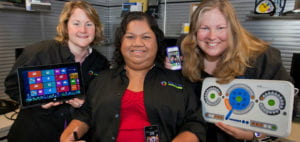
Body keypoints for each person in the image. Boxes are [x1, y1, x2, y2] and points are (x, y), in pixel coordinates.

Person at [60, 12, 206, 142]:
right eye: (130, 36)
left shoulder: (178, 82)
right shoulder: (101, 80)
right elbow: (84, 115)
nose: (137, 43)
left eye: (146, 37)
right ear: (121, 43)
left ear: (157, 42)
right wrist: (69, 136)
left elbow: (195, 123)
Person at [177, 0, 293, 142]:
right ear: (195, 31)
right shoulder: (185, 51)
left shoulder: (261, 58)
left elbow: (283, 116)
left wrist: (252, 135)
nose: (212, 36)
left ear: (233, 28)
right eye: (204, 28)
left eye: (220, 28)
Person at [4, 1, 109, 142]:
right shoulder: (39, 52)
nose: (83, 30)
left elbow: (99, 100)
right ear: (65, 26)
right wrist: (39, 101)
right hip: (34, 133)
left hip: (75, 133)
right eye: (76, 23)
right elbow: (12, 86)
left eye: (89, 24)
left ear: (96, 28)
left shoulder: (100, 63)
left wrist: (84, 102)